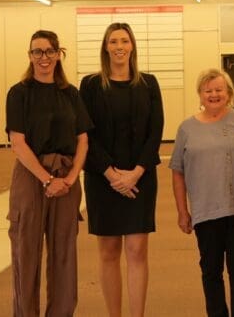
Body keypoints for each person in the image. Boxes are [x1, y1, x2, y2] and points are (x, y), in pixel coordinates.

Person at [5, 30, 92, 316]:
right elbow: (18, 143)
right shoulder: (19, 93)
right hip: (31, 177)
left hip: (66, 179)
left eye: (49, 51)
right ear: (30, 56)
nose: (43, 58)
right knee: (25, 253)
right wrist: (47, 179)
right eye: (36, 52)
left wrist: (70, 178)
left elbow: (83, 140)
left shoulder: (70, 93)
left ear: (58, 54)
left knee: (64, 255)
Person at [80, 23, 165, 317]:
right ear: (105, 47)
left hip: (140, 179)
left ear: (132, 46)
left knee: (137, 251)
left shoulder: (149, 84)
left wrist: (135, 173)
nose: (119, 46)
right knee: (108, 252)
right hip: (102, 180)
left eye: (124, 40)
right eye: (113, 41)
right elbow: (86, 134)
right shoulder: (90, 85)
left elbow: (156, 133)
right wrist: (112, 174)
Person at [170, 68, 234, 317]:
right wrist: (183, 211)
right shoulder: (186, 129)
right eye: (208, 90)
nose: (214, 94)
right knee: (211, 272)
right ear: (200, 95)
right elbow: (177, 171)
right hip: (205, 212)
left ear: (229, 93)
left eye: (219, 90)